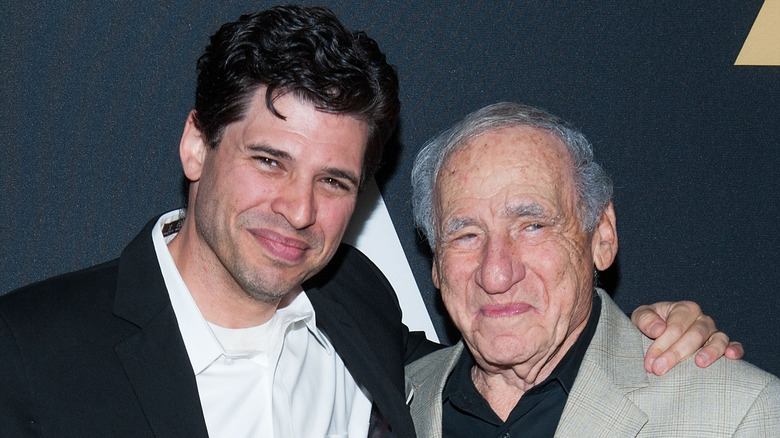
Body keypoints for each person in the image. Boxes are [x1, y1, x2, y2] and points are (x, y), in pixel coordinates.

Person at [0, 6, 740, 438]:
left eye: (334, 181)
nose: (297, 210)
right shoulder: (28, 356)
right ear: (197, 143)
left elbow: (504, 339)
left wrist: (651, 332)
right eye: (269, 160)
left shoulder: (361, 306)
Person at [406, 102, 780, 437]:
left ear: (602, 237)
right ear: (437, 265)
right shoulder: (389, 403)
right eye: (466, 235)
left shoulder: (739, 415)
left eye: (533, 226)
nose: (497, 274)